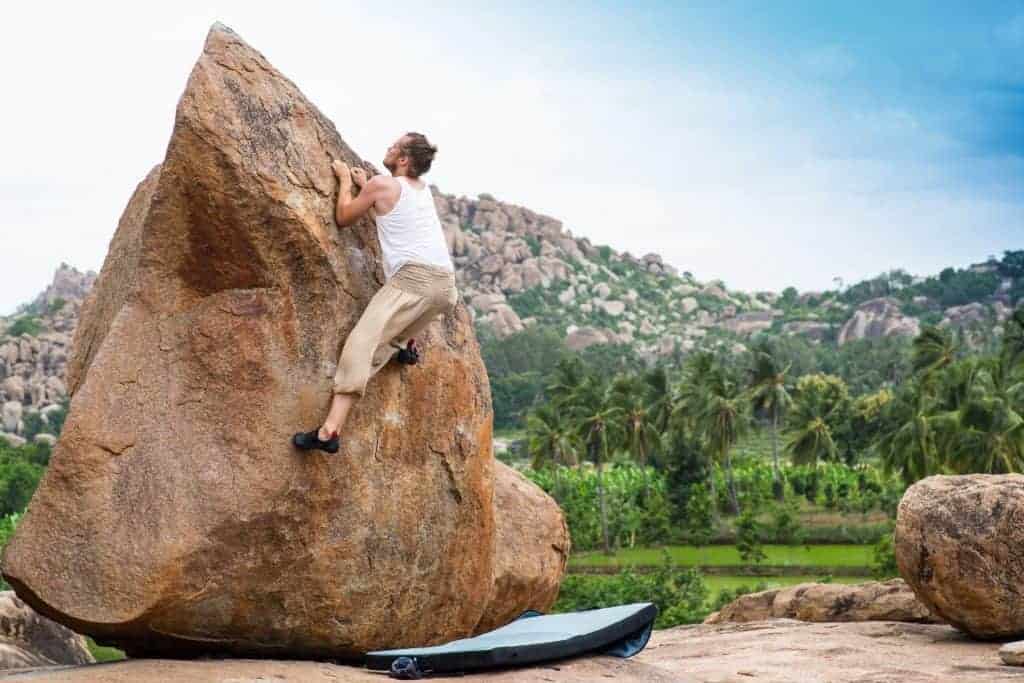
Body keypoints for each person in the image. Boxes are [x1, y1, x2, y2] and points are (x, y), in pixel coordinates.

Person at [292, 132, 457, 454]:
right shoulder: (420, 190)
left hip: (413, 282)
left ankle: (329, 432)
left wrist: (344, 181)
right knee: (389, 337)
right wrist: (366, 183)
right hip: (446, 289)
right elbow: (391, 213)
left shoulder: (381, 185)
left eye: (394, 147)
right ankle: (406, 343)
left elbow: (343, 218)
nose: (388, 148)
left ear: (404, 159)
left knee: (360, 344)